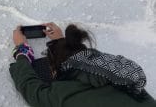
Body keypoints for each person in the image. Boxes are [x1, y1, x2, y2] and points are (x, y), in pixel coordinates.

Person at [9, 22, 155, 107]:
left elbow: (31, 89)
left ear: (55, 70)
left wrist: (22, 51)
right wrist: (61, 42)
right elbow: (80, 59)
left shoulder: (64, 94)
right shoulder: (119, 74)